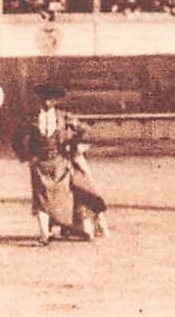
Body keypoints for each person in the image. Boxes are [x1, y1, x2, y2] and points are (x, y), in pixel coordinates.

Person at [11, 83, 110, 244]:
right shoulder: (31, 118)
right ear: (39, 99)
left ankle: (71, 227)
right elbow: (16, 139)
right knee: (40, 198)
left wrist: (74, 145)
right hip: (39, 163)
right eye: (44, 98)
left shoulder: (64, 117)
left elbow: (86, 131)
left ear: (56, 100)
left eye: (50, 99)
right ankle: (45, 235)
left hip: (60, 163)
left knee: (66, 197)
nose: (47, 102)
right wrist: (27, 156)